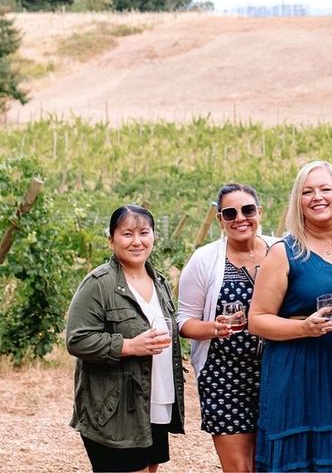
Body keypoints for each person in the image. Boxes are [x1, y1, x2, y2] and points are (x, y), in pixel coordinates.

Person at [247, 160, 332, 471]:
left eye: (325, 188)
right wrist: (304, 327)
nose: (318, 197)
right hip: (300, 375)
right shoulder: (285, 251)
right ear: (297, 201)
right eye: (308, 191)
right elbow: (257, 318)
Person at [66, 204, 184, 473]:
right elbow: (77, 339)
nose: (137, 241)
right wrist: (129, 346)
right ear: (111, 239)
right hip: (115, 409)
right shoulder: (99, 283)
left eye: (144, 232)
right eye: (127, 234)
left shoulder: (160, 282)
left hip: (154, 400)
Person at [177, 183, 272, 473]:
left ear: (260, 212)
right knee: (239, 467)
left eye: (247, 210)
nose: (239, 218)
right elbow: (183, 321)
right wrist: (212, 329)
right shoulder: (205, 260)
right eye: (229, 213)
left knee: (269, 463)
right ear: (220, 220)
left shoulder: (279, 250)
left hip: (276, 370)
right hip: (224, 375)